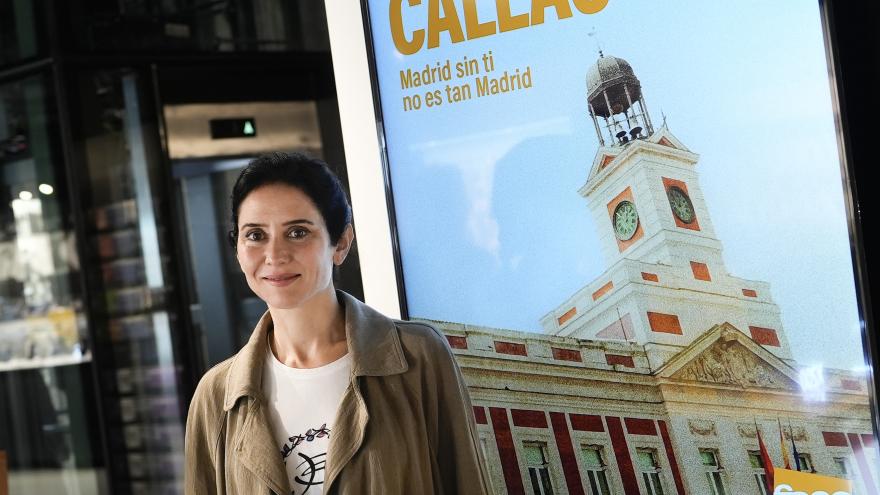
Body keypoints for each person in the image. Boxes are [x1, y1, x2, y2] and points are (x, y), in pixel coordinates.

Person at [184, 152, 490, 494]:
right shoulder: (216, 396)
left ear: (341, 243)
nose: (275, 255)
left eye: (297, 232)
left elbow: (466, 482)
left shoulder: (417, 355)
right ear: (237, 249)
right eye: (255, 235)